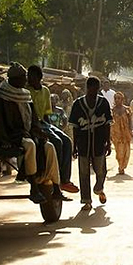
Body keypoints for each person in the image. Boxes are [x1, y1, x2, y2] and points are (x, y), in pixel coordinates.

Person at [0, 62, 66, 204]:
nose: (26, 80)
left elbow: (34, 120)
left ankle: (56, 187)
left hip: (27, 133)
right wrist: (5, 141)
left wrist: (40, 133)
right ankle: (34, 189)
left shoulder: (25, 96)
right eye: (23, 78)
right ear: (14, 80)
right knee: (30, 144)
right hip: (10, 137)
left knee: (49, 146)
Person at [27, 65, 79, 193]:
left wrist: (50, 128)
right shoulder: (27, 91)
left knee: (67, 141)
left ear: (39, 78)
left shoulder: (45, 91)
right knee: (57, 142)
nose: (29, 79)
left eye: (31, 76)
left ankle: (65, 179)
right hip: (32, 124)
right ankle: (58, 178)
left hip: (44, 123)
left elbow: (46, 114)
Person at [68, 76, 113, 211]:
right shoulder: (78, 104)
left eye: (96, 89)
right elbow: (75, 127)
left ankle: (99, 188)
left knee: (101, 170)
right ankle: (86, 200)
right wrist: (74, 146)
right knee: (83, 172)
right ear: (87, 88)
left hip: (99, 143)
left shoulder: (103, 103)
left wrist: (108, 143)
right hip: (83, 144)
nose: (94, 92)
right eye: (92, 89)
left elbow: (107, 125)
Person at [110, 92, 133, 174]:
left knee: (126, 151)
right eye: (115, 98)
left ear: (122, 99)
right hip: (116, 133)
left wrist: (131, 130)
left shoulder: (127, 109)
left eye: (119, 98)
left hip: (126, 133)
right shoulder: (112, 110)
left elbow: (130, 120)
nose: (117, 100)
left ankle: (123, 167)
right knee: (119, 151)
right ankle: (120, 166)